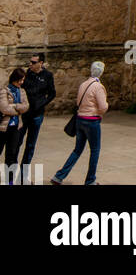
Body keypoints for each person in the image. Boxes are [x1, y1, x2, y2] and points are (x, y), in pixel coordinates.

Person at [51, 62, 108, 187]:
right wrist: (101, 109)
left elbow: (78, 102)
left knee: (77, 150)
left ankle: (59, 176)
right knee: (95, 150)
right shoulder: (98, 87)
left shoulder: (83, 84)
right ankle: (90, 180)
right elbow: (103, 107)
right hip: (92, 121)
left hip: (80, 119)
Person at [21, 52, 55, 181]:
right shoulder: (26, 74)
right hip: (24, 114)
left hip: (37, 115)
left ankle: (24, 174)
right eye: (30, 62)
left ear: (41, 63)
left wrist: (42, 103)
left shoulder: (47, 76)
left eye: (33, 62)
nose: (30, 64)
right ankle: (11, 174)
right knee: (17, 143)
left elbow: (52, 93)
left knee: (30, 145)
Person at [0, 68, 29, 183]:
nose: (21, 82)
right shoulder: (4, 91)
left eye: (23, 80)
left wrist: (14, 106)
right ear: (14, 78)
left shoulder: (22, 91)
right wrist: (18, 108)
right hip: (3, 128)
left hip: (16, 128)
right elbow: (4, 108)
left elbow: (26, 106)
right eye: (20, 80)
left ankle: (9, 180)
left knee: (11, 155)